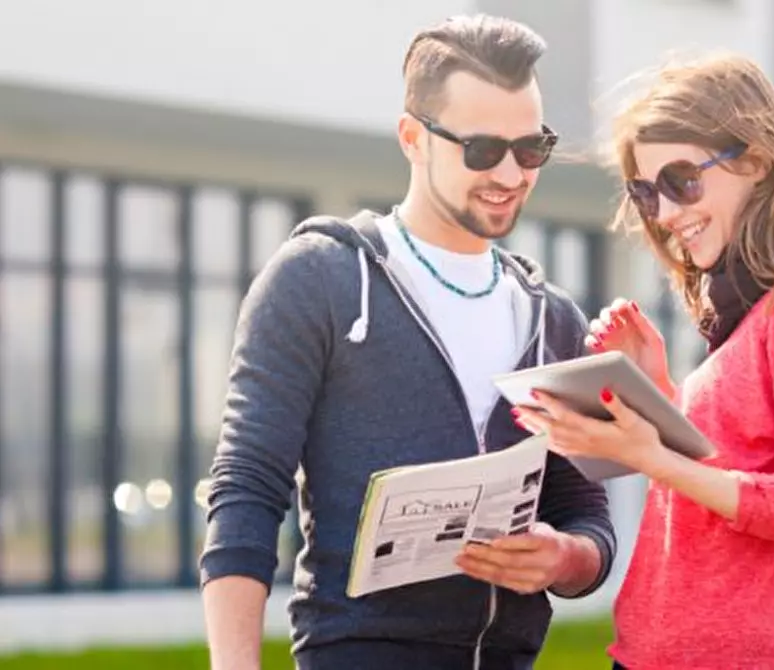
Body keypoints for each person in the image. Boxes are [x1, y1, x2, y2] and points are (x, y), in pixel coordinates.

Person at [198, 14, 616, 670]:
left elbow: (584, 510)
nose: (510, 173)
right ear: (412, 139)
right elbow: (246, 486)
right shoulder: (322, 279)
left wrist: (565, 557)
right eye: (481, 150)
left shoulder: (554, 320)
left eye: (530, 148)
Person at [513, 53, 774, 669]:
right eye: (645, 192)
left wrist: (647, 452)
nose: (664, 212)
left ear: (756, 158)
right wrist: (660, 397)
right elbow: (735, 471)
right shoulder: (748, 313)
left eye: (681, 180)